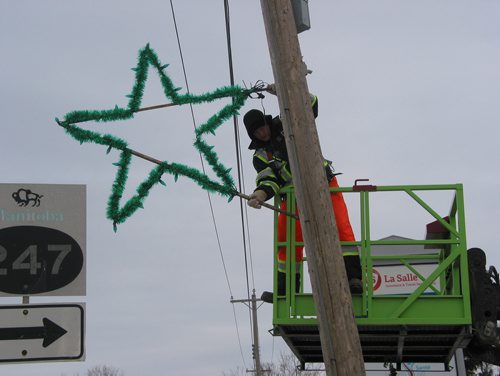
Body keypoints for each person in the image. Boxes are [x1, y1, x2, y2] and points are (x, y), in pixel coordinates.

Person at [243, 90, 362, 297]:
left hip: (323, 183)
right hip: (292, 195)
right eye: (256, 132)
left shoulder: (286, 122)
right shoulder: (260, 156)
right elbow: (268, 179)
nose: (262, 133)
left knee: (341, 227)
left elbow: (311, 104)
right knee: (287, 239)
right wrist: (261, 193)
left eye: (261, 127)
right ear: (252, 135)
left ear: (266, 121)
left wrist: (283, 91)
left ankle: (354, 279)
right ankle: (286, 291)